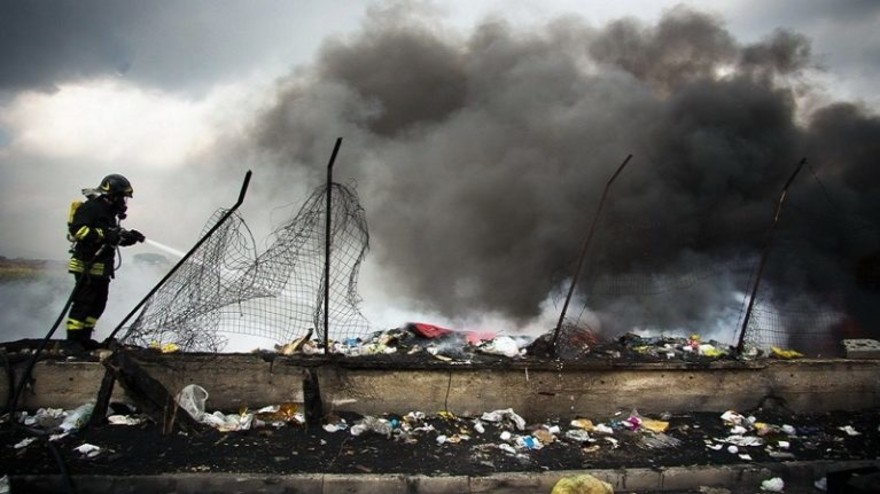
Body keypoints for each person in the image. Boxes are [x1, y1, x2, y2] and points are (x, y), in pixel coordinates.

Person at [66, 174, 145, 349]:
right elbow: (78, 231)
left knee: (98, 305)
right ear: (112, 195)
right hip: (87, 265)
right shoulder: (92, 208)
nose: (124, 201)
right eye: (122, 197)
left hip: (102, 269)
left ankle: (84, 339)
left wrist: (129, 238)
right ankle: (72, 342)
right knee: (83, 305)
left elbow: (112, 238)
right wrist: (105, 234)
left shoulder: (109, 214)